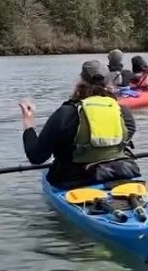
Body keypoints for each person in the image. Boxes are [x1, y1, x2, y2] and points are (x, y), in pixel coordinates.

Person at [20, 60, 141, 188]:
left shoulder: (65, 114)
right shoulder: (123, 112)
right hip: (119, 175)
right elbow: (126, 139)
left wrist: (28, 124)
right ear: (109, 82)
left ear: (81, 81)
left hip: (73, 181)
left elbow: (36, 157)